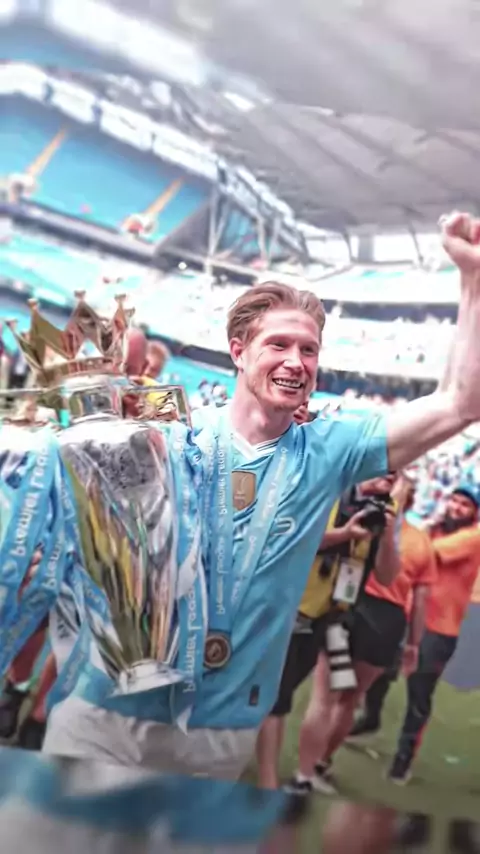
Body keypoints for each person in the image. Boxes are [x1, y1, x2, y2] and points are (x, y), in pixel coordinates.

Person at [41, 212, 480, 778]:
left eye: (309, 350)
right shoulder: (173, 432)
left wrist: (472, 279)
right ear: (239, 351)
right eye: (279, 344)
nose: (296, 361)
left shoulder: (331, 448)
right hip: (107, 709)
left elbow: (460, 403)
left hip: (221, 729)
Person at [257, 471, 400, 793]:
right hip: (290, 610)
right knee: (274, 698)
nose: (391, 477)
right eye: (387, 469)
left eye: (397, 474)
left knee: (315, 695)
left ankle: (303, 774)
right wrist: (344, 535)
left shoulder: (385, 512)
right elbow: (289, 540)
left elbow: (387, 576)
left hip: (332, 618)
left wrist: (387, 535)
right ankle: (266, 781)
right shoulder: (326, 488)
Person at [388, 483, 480, 783]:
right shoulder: (436, 530)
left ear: (474, 514)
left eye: (464, 505)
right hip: (407, 615)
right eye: (454, 500)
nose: (456, 507)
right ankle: (371, 716)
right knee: (376, 671)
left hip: (439, 629)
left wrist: (420, 531)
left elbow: (427, 554)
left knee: (419, 693)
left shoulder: (473, 537)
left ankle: (403, 758)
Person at [349, 477, 437, 739]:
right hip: (386, 618)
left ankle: (317, 758)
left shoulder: (362, 520)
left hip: (355, 605)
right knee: (349, 696)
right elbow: (420, 599)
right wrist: (413, 643)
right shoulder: (422, 542)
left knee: (332, 693)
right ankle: (323, 756)